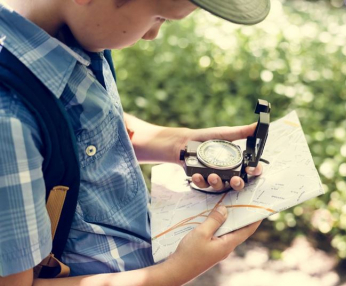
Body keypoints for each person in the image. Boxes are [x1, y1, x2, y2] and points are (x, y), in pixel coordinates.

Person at [0, 0, 269, 285]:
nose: (153, 34)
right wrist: (174, 272)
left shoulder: (75, 38)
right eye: (159, 17)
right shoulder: (9, 121)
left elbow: (87, 127)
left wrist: (179, 142)